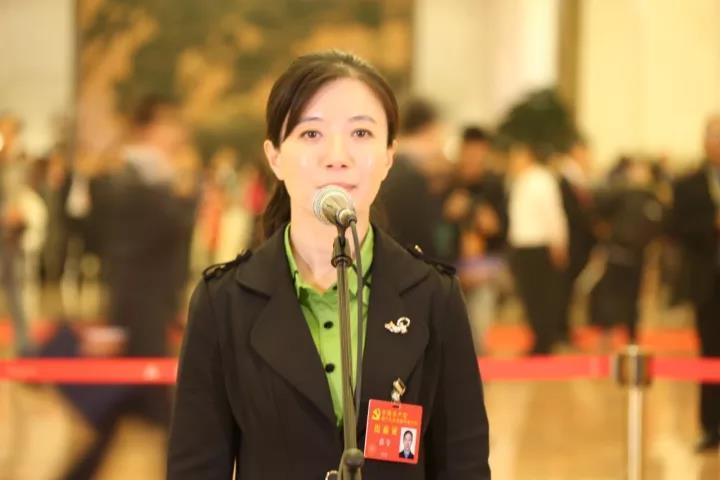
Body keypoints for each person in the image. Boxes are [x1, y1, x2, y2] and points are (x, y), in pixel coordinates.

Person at [168, 51, 491, 479]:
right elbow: (195, 468)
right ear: (274, 156)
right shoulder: (224, 302)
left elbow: (464, 465)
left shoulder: (433, 296)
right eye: (311, 133)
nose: (337, 156)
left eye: (361, 132)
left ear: (389, 155)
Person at [670, 114, 720, 452]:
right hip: (708, 282)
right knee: (710, 352)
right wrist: (711, 225)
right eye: (714, 137)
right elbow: (676, 228)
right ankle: (711, 426)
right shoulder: (689, 183)